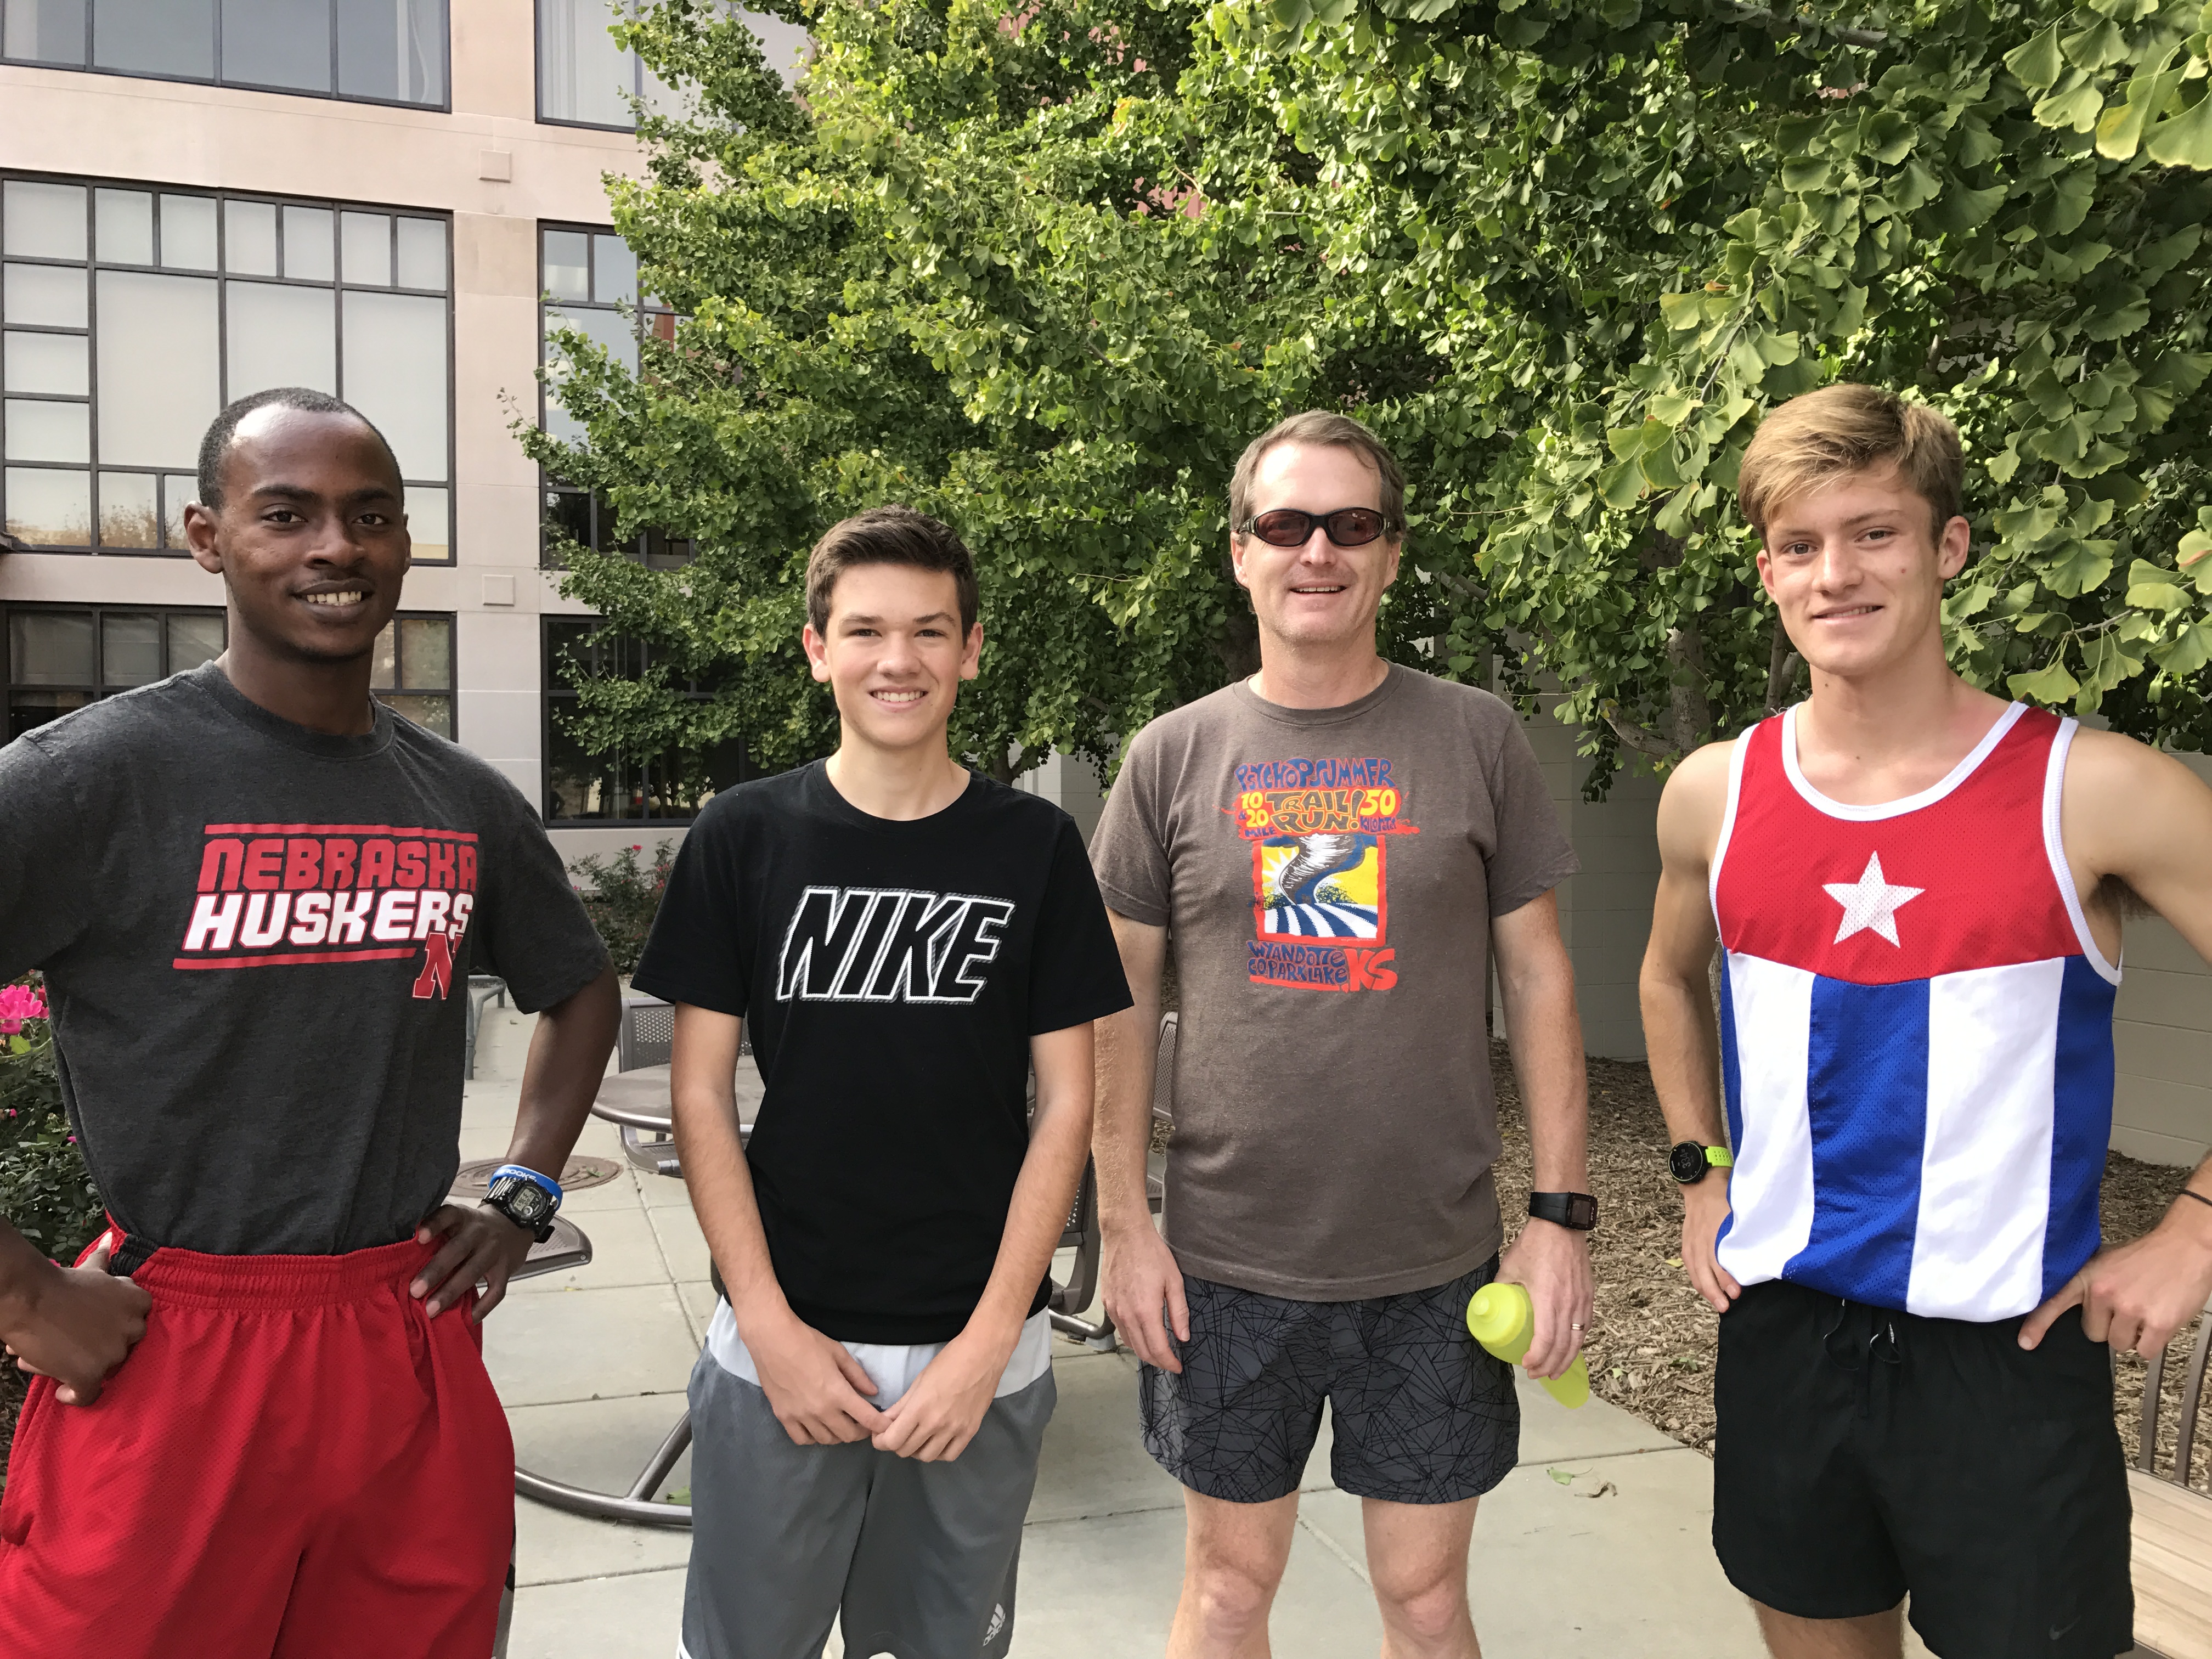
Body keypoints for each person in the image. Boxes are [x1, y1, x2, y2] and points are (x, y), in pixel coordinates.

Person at [0, 387, 619, 1659]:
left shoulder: (456, 799)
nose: (336, 546)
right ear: (207, 537)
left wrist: (522, 1194)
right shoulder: (91, 778)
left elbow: (581, 986)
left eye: (371, 516)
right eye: (287, 514)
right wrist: (18, 1292)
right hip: (179, 1350)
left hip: (403, 1341)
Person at [1639, 381, 2212, 1659]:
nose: (1836, 574)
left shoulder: (2095, 789)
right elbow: (1667, 982)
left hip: (2006, 1357)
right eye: (1801, 545)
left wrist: (2196, 1230)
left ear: (1947, 547)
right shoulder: (1714, 794)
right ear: (1770, 575)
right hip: (1784, 1337)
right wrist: (1697, 1172)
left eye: (1874, 533)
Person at [1087, 411, 1596, 1659]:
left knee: (1425, 1603)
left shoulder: (1475, 737)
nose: (1317, 551)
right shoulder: (1171, 756)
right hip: (1225, 1264)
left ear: (1390, 555)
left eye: (1351, 525)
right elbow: (1114, 1008)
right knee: (1227, 1591)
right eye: (1286, 524)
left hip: (1433, 1268)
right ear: (1239, 553)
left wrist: (1559, 1219)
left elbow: (1539, 984)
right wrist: (1122, 1223)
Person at [631, 506, 1132, 1659]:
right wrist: (769, 1327)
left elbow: (1069, 1102)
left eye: (927, 631)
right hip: (781, 1340)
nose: (896, 660)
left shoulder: (1035, 847)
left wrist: (992, 1341)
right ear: (817, 649)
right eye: (864, 631)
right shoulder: (744, 836)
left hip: (978, 1351)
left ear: (972, 648)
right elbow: (701, 1095)